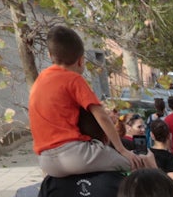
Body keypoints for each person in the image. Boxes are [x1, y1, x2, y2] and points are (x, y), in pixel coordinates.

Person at [28, 25, 141, 178]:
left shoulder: (39, 81)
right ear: (81, 61)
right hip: (74, 155)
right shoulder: (73, 79)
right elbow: (101, 116)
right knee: (135, 162)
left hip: (46, 161)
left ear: (50, 55)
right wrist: (122, 150)